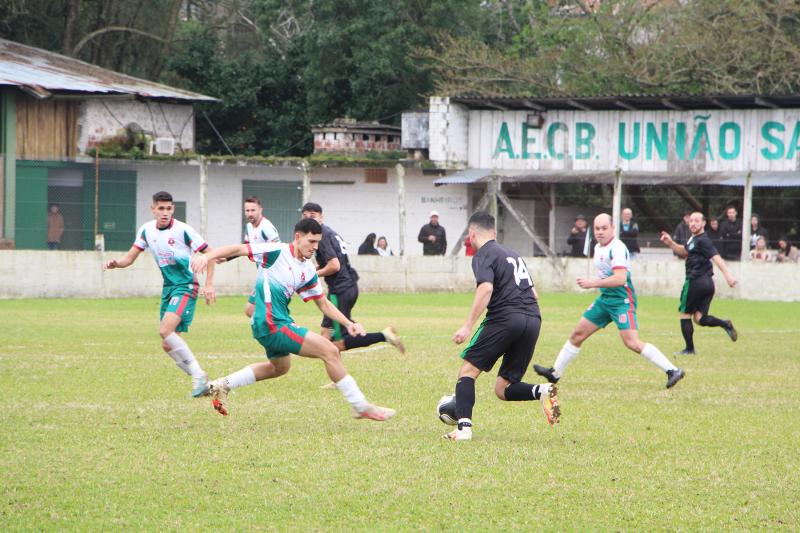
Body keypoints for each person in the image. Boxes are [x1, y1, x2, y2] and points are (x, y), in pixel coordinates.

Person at [190, 218, 394, 421]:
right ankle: (360, 405)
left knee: (280, 367)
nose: (315, 247)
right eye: (311, 241)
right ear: (298, 237)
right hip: (272, 323)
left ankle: (222, 385)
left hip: (274, 323)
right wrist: (207, 257)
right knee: (330, 351)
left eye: (318, 243)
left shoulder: (307, 269)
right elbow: (238, 249)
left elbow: (323, 303)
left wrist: (349, 324)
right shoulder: (275, 251)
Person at [535, 213, 685, 389]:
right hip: (605, 300)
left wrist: (592, 283)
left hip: (622, 300)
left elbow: (620, 279)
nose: (600, 232)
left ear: (613, 228)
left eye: (604, 228)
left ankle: (672, 370)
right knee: (577, 334)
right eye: (597, 228)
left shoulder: (618, 248)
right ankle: (555, 373)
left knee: (632, 343)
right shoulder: (598, 247)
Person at [446, 211, 558, 441]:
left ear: (471, 233)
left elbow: (485, 288)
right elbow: (534, 294)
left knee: (467, 371)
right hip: (533, 319)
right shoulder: (513, 254)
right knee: (503, 388)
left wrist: (467, 326)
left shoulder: (482, 254)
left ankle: (463, 429)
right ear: (494, 232)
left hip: (506, 317)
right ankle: (544, 391)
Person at [103, 191, 216, 397]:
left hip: (186, 286)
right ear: (153, 209)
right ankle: (202, 381)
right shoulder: (146, 230)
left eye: (169, 208)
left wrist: (209, 285)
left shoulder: (184, 231)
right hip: (169, 288)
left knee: (165, 330)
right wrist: (116, 264)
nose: (165, 213)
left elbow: (211, 254)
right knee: (167, 344)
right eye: (161, 208)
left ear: (173, 209)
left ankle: (198, 375)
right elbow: (129, 258)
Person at [301, 202, 404, 354]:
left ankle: (383, 335)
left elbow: (334, 265)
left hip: (341, 290)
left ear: (321, 217)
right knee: (325, 334)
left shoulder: (321, 235)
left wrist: (312, 275)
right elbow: (333, 261)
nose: (309, 219)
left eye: (312, 216)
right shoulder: (329, 232)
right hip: (345, 286)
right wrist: (313, 269)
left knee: (337, 344)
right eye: (305, 216)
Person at [659, 212, 738, 355]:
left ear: (703, 223)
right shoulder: (694, 239)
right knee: (699, 318)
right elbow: (684, 252)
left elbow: (716, 257)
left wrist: (728, 276)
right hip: (707, 284)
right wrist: (670, 243)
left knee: (684, 314)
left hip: (695, 281)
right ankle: (725, 324)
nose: (693, 223)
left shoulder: (703, 240)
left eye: (697, 221)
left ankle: (689, 349)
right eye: (691, 221)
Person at [243, 196, 280, 318]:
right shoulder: (249, 227)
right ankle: (279, 330)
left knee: (252, 309)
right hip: (262, 273)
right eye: (247, 210)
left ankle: (282, 330)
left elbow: (278, 248)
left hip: (272, 275)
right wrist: (226, 258)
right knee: (253, 310)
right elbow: (246, 248)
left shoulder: (266, 227)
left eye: (253, 210)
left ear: (260, 210)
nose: (250, 213)